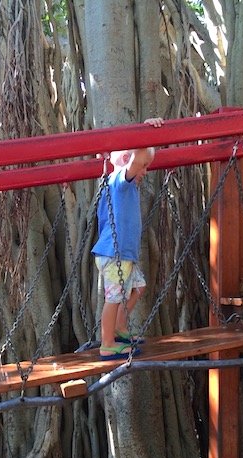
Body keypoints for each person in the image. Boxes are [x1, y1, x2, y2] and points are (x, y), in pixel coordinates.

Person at [92, 117, 164, 360]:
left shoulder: (126, 186)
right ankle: (107, 343)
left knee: (139, 287)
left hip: (124, 255)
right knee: (113, 298)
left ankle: (121, 328)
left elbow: (140, 157)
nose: (144, 171)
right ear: (126, 161)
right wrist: (145, 131)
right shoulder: (120, 180)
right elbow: (138, 157)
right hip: (115, 254)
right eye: (145, 167)